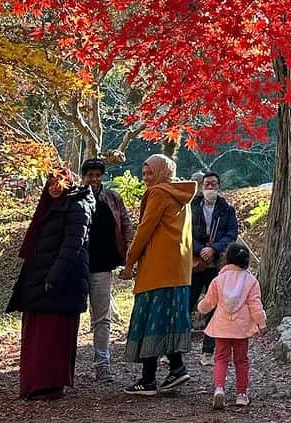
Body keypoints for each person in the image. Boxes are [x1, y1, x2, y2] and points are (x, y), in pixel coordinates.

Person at [7, 166, 94, 400]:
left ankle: (50, 384)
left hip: (62, 283)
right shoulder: (51, 206)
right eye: (51, 183)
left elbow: (72, 246)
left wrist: (53, 277)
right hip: (39, 279)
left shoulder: (77, 206)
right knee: (37, 334)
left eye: (60, 183)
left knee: (53, 335)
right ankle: (35, 383)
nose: (55, 188)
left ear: (69, 183)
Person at [122, 153, 198, 395]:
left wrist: (129, 261)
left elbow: (145, 229)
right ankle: (177, 368)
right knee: (167, 320)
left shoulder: (158, 193)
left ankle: (148, 379)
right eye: (144, 173)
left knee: (149, 321)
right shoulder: (181, 194)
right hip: (177, 271)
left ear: (161, 172)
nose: (146, 178)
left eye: (150, 173)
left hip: (156, 270)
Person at [80, 157, 134, 383]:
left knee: (102, 318)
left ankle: (102, 364)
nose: (94, 179)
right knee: (70, 316)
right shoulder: (75, 198)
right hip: (77, 265)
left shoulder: (112, 198)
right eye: (90, 175)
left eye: (97, 175)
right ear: (83, 176)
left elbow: (126, 225)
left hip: (102, 266)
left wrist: (130, 256)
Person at [196, 241, 266, 408]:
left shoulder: (219, 280)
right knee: (241, 360)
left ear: (227, 259)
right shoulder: (251, 281)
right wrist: (261, 323)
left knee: (221, 358)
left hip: (221, 326)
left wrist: (200, 307)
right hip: (241, 329)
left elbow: (209, 302)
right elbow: (255, 304)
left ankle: (219, 388)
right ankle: (241, 394)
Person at [188, 171, 238, 366]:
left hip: (216, 264)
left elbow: (231, 233)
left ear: (219, 186)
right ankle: (176, 349)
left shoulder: (227, 209)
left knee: (214, 306)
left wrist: (214, 249)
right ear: (202, 186)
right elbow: (185, 233)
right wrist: (200, 249)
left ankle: (208, 351)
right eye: (207, 184)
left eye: (214, 184)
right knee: (187, 302)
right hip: (195, 263)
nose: (210, 187)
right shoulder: (192, 208)